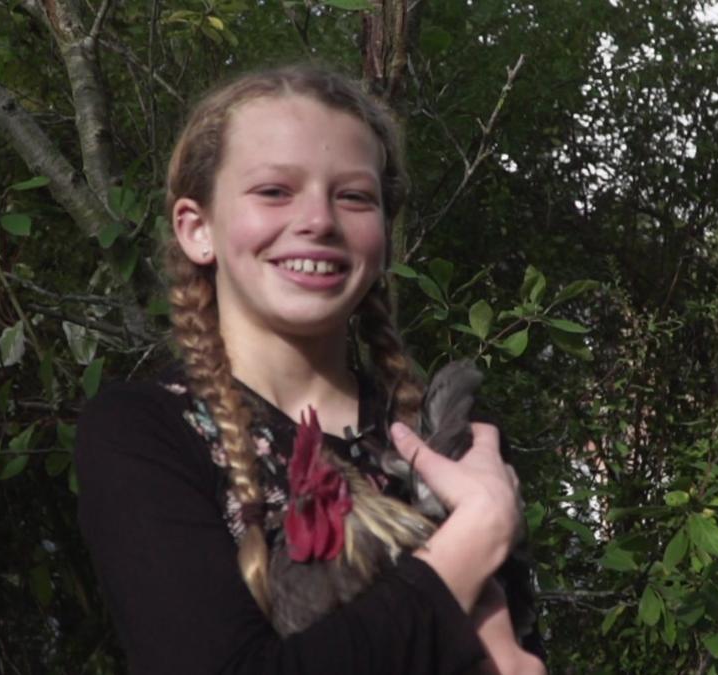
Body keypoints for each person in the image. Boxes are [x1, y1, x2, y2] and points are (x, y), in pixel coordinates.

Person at [76, 62, 548, 675]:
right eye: (274, 191)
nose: (319, 220)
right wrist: (476, 536)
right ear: (198, 229)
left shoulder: (450, 442)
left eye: (353, 196)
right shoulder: (141, 431)